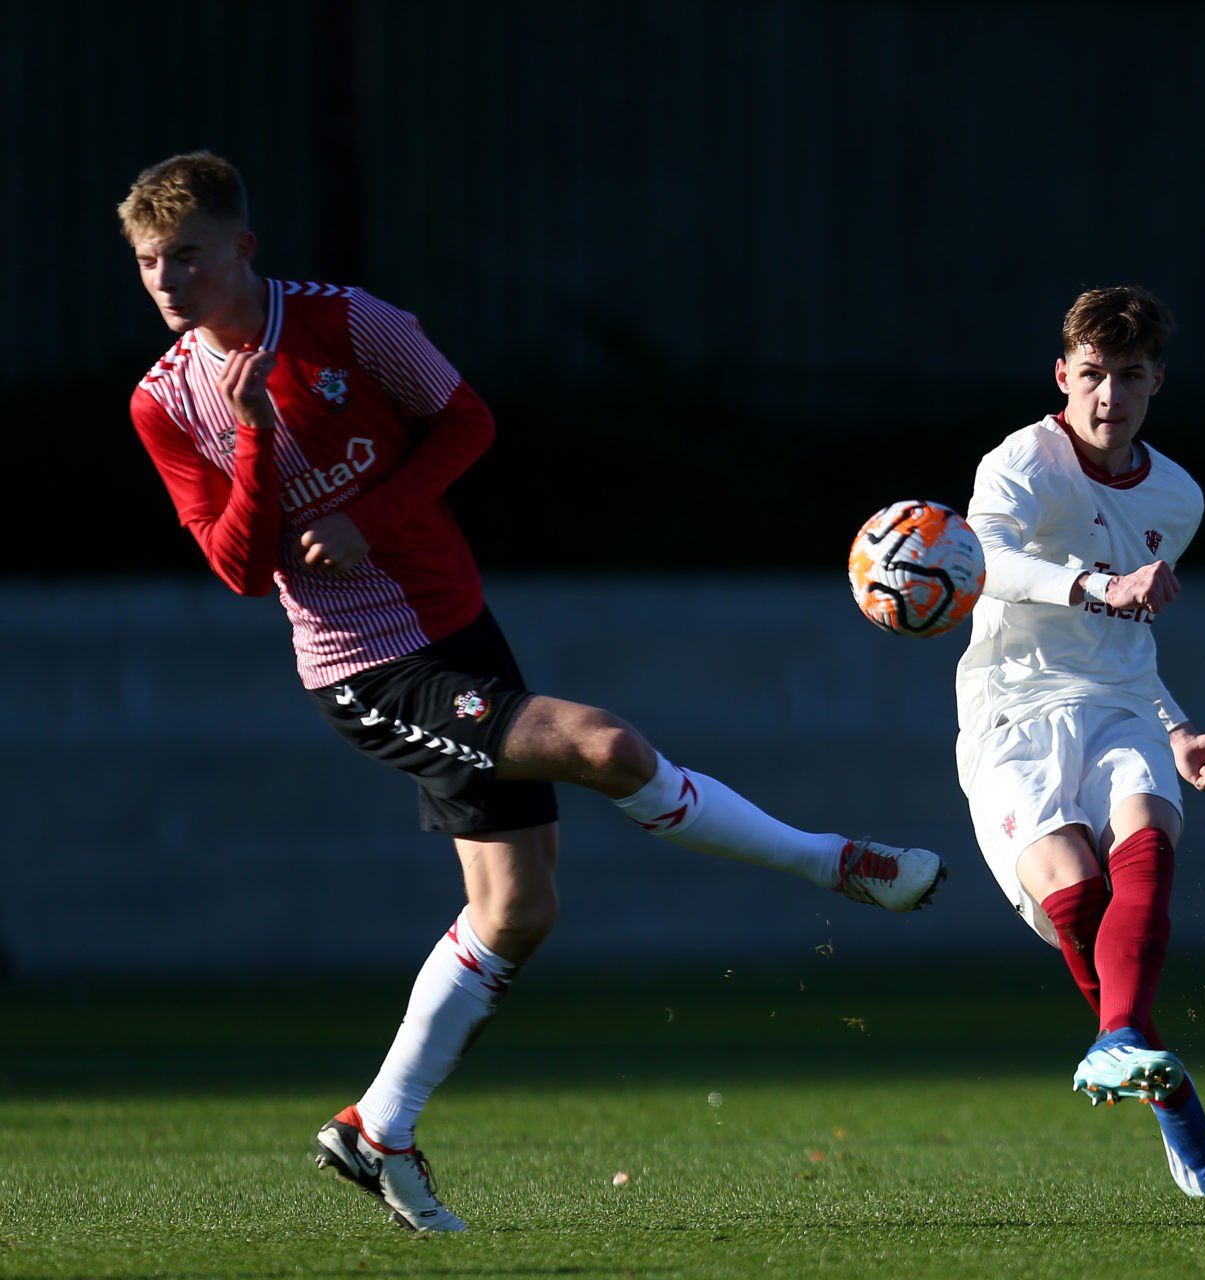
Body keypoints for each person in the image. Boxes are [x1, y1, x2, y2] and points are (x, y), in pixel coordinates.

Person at [117, 151, 947, 1234]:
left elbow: (467, 422)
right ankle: (834, 861)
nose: (167, 280)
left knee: (519, 908)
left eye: (185, 254)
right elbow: (236, 565)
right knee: (602, 744)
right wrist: (260, 444)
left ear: (242, 249)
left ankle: (377, 1129)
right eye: (146, 263)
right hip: (367, 665)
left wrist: (374, 514)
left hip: (460, 627)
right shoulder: (167, 401)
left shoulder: (350, 323)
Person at [953, 285, 1205, 1198]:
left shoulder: (1179, 496)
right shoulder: (1020, 462)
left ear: (1156, 382)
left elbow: (1128, 641)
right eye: (1092, 374)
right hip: (1010, 708)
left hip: (1121, 701)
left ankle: (1119, 1039)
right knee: (1075, 894)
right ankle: (1174, 1101)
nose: (1108, 397)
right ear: (1063, 374)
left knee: (1147, 842)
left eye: (1129, 377)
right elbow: (981, 560)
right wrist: (1098, 583)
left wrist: (1178, 729)